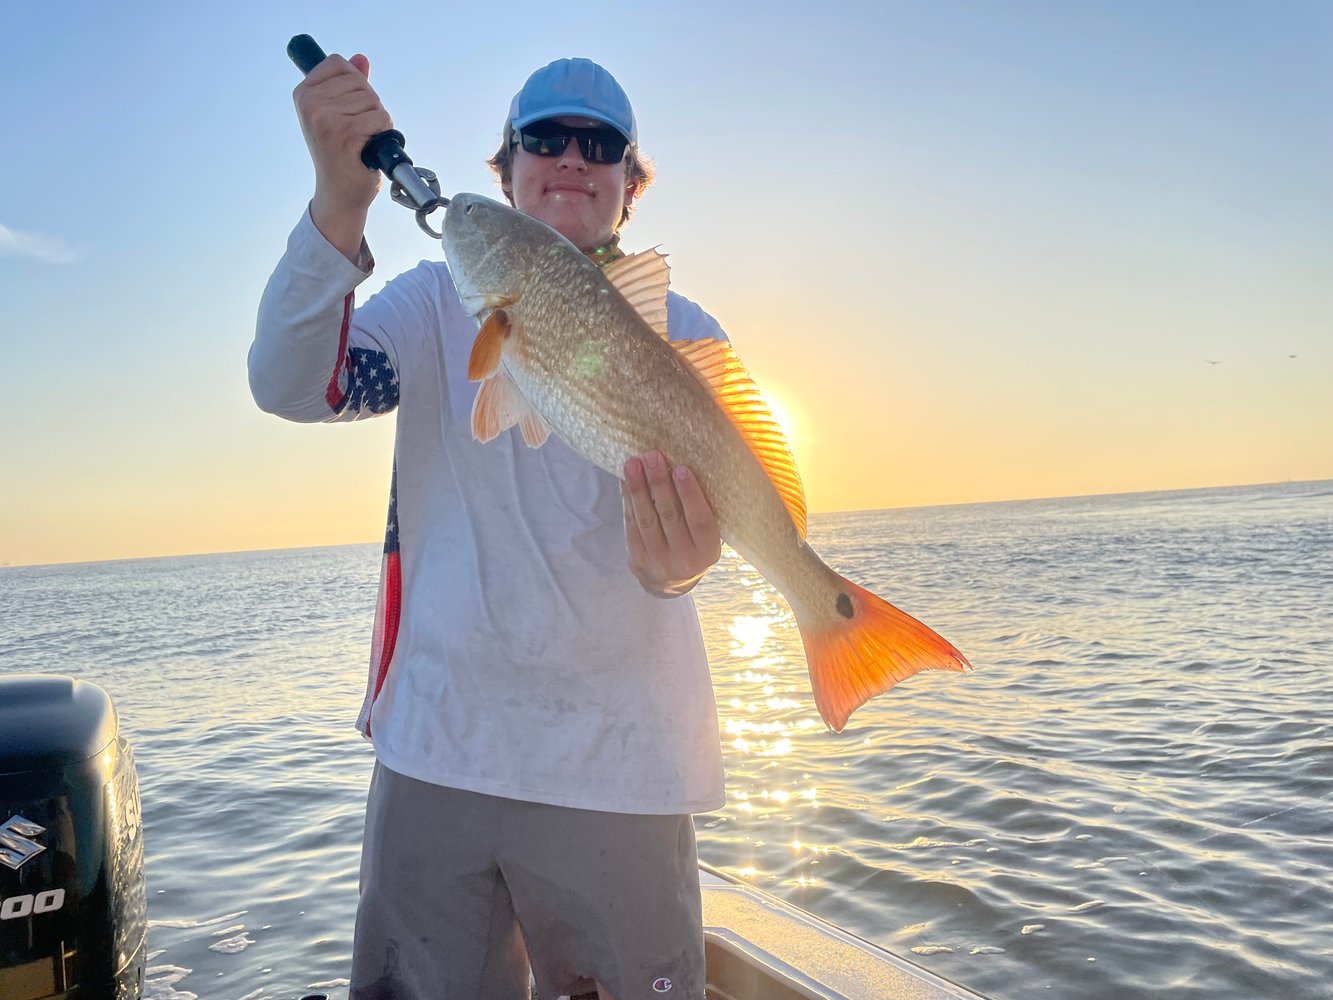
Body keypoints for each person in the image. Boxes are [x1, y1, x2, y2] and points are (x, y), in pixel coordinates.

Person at [248, 52, 734, 999]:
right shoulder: (433, 304)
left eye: (599, 146)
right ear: (502, 170)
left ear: (629, 187)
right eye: (542, 138)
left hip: (619, 770)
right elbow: (293, 383)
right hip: (436, 753)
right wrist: (338, 201)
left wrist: (682, 565)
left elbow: (696, 548)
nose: (569, 158)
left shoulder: (685, 331)